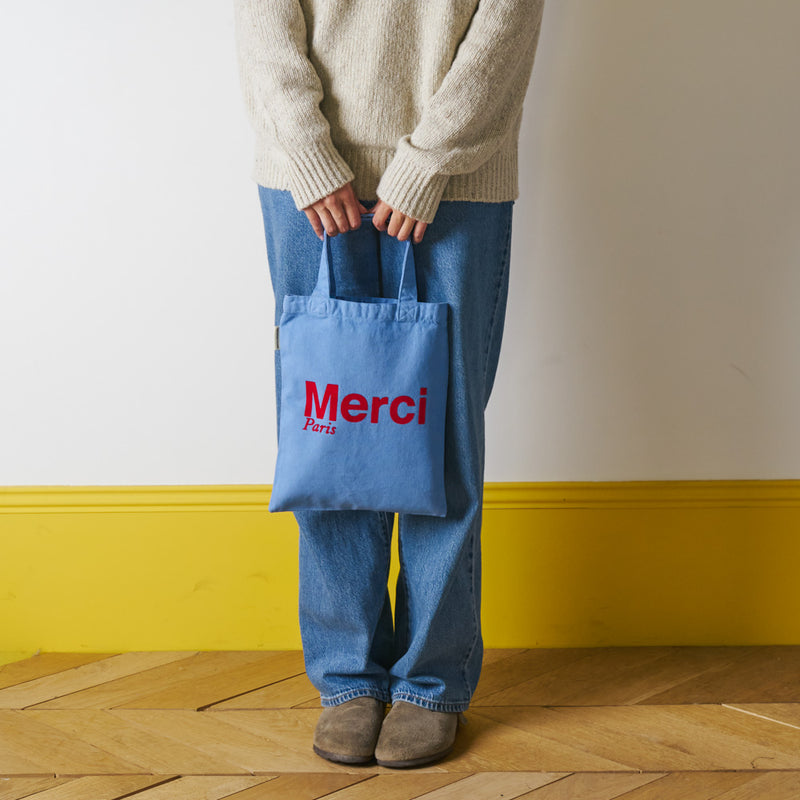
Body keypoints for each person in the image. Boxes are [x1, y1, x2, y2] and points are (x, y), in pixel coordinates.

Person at [234, 0, 545, 768]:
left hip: (460, 181)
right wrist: (309, 155)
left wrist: (427, 162)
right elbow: (261, 20)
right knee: (332, 437)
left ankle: (430, 684)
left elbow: (507, 22)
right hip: (306, 185)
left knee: (443, 444)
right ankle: (348, 680)